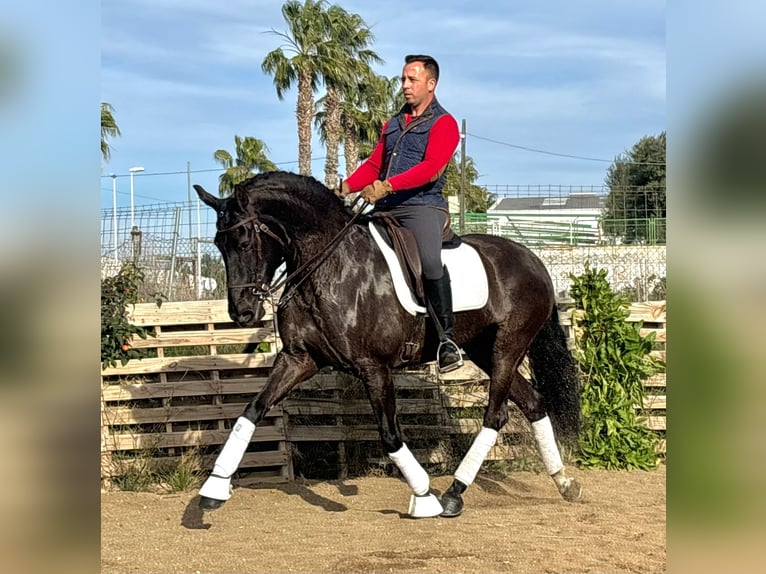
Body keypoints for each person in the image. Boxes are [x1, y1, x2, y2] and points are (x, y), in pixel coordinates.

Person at [339, 54, 463, 373]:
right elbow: (373, 164)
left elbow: (431, 169)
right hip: (386, 208)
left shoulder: (444, 123)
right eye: (403, 79)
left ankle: (447, 341)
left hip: (423, 207)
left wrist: (388, 186)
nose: (405, 86)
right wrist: (345, 188)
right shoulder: (394, 123)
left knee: (431, 262)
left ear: (431, 84)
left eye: (412, 80)